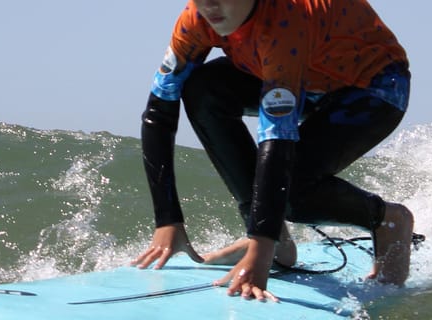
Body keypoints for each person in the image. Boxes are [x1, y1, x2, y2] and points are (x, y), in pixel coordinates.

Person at [131, 0, 416, 302]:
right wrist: (168, 221)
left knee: (290, 192)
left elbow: (278, 139)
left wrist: (260, 253)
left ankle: (386, 218)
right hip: (307, 78)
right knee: (202, 89)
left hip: (372, 87)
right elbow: (159, 111)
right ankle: (278, 239)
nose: (210, 5)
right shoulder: (197, 17)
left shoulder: (283, 21)